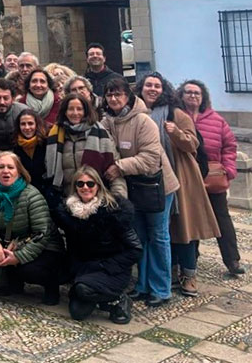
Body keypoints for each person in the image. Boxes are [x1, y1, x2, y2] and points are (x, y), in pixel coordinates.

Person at [138, 73, 218, 297]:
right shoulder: (138, 113)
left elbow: (193, 144)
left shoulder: (176, 113)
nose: (152, 89)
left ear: (163, 90)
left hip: (180, 176)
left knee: (184, 228)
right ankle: (170, 271)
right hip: (151, 179)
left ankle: (189, 274)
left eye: (157, 86)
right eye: (148, 85)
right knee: (164, 230)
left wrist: (176, 133)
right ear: (141, 89)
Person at [101, 77, 178, 307]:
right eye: (109, 94)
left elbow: (151, 158)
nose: (113, 98)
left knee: (158, 236)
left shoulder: (144, 121)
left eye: (118, 94)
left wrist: (119, 166)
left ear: (128, 96)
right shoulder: (107, 121)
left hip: (157, 186)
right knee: (139, 236)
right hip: (133, 186)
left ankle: (161, 288)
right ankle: (143, 285)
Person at [0, 151, 63, 303]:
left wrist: (18, 257)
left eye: (10, 167)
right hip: (9, 243)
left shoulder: (32, 195)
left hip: (42, 245)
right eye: (1, 167)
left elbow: (42, 233)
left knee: (28, 271)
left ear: (19, 171)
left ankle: (51, 285)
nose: (5, 171)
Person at [51, 166, 140, 324]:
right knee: (77, 313)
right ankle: (96, 297)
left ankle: (119, 298)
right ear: (75, 187)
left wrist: (106, 265)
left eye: (90, 184)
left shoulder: (113, 210)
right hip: (84, 268)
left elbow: (135, 249)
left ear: (98, 186)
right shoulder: (69, 212)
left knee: (83, 289)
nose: (85, 187)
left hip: (111, 269)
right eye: (80, 184)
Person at [182, 79, 243, 276]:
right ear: (181, 95)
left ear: (203, 97)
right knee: (191, 219)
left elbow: (229, 146)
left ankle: (232, 260)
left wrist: (229, 170)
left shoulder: (216, 120)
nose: (193, 96)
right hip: (187, 178)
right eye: (189, 92)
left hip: (213, 176)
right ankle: (191, 260)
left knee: (222, 218)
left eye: (196, 93)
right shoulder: (177, 117)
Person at [43, 92, 124, 201]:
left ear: (86, 111)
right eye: (70, 109)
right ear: (65, 111)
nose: (75, 113)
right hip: (66, 201)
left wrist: (119, 200)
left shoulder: (101, 133)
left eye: (79, 109)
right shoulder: (55, 136)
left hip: (99, 200)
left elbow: (114, 171)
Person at [13, 109, 48, 192]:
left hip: (46, 188)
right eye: (23, 124)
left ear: (37, 125)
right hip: (24, 189)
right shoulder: (14, 144)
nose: (27, 127)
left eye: (30, 123)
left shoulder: (46, 142)